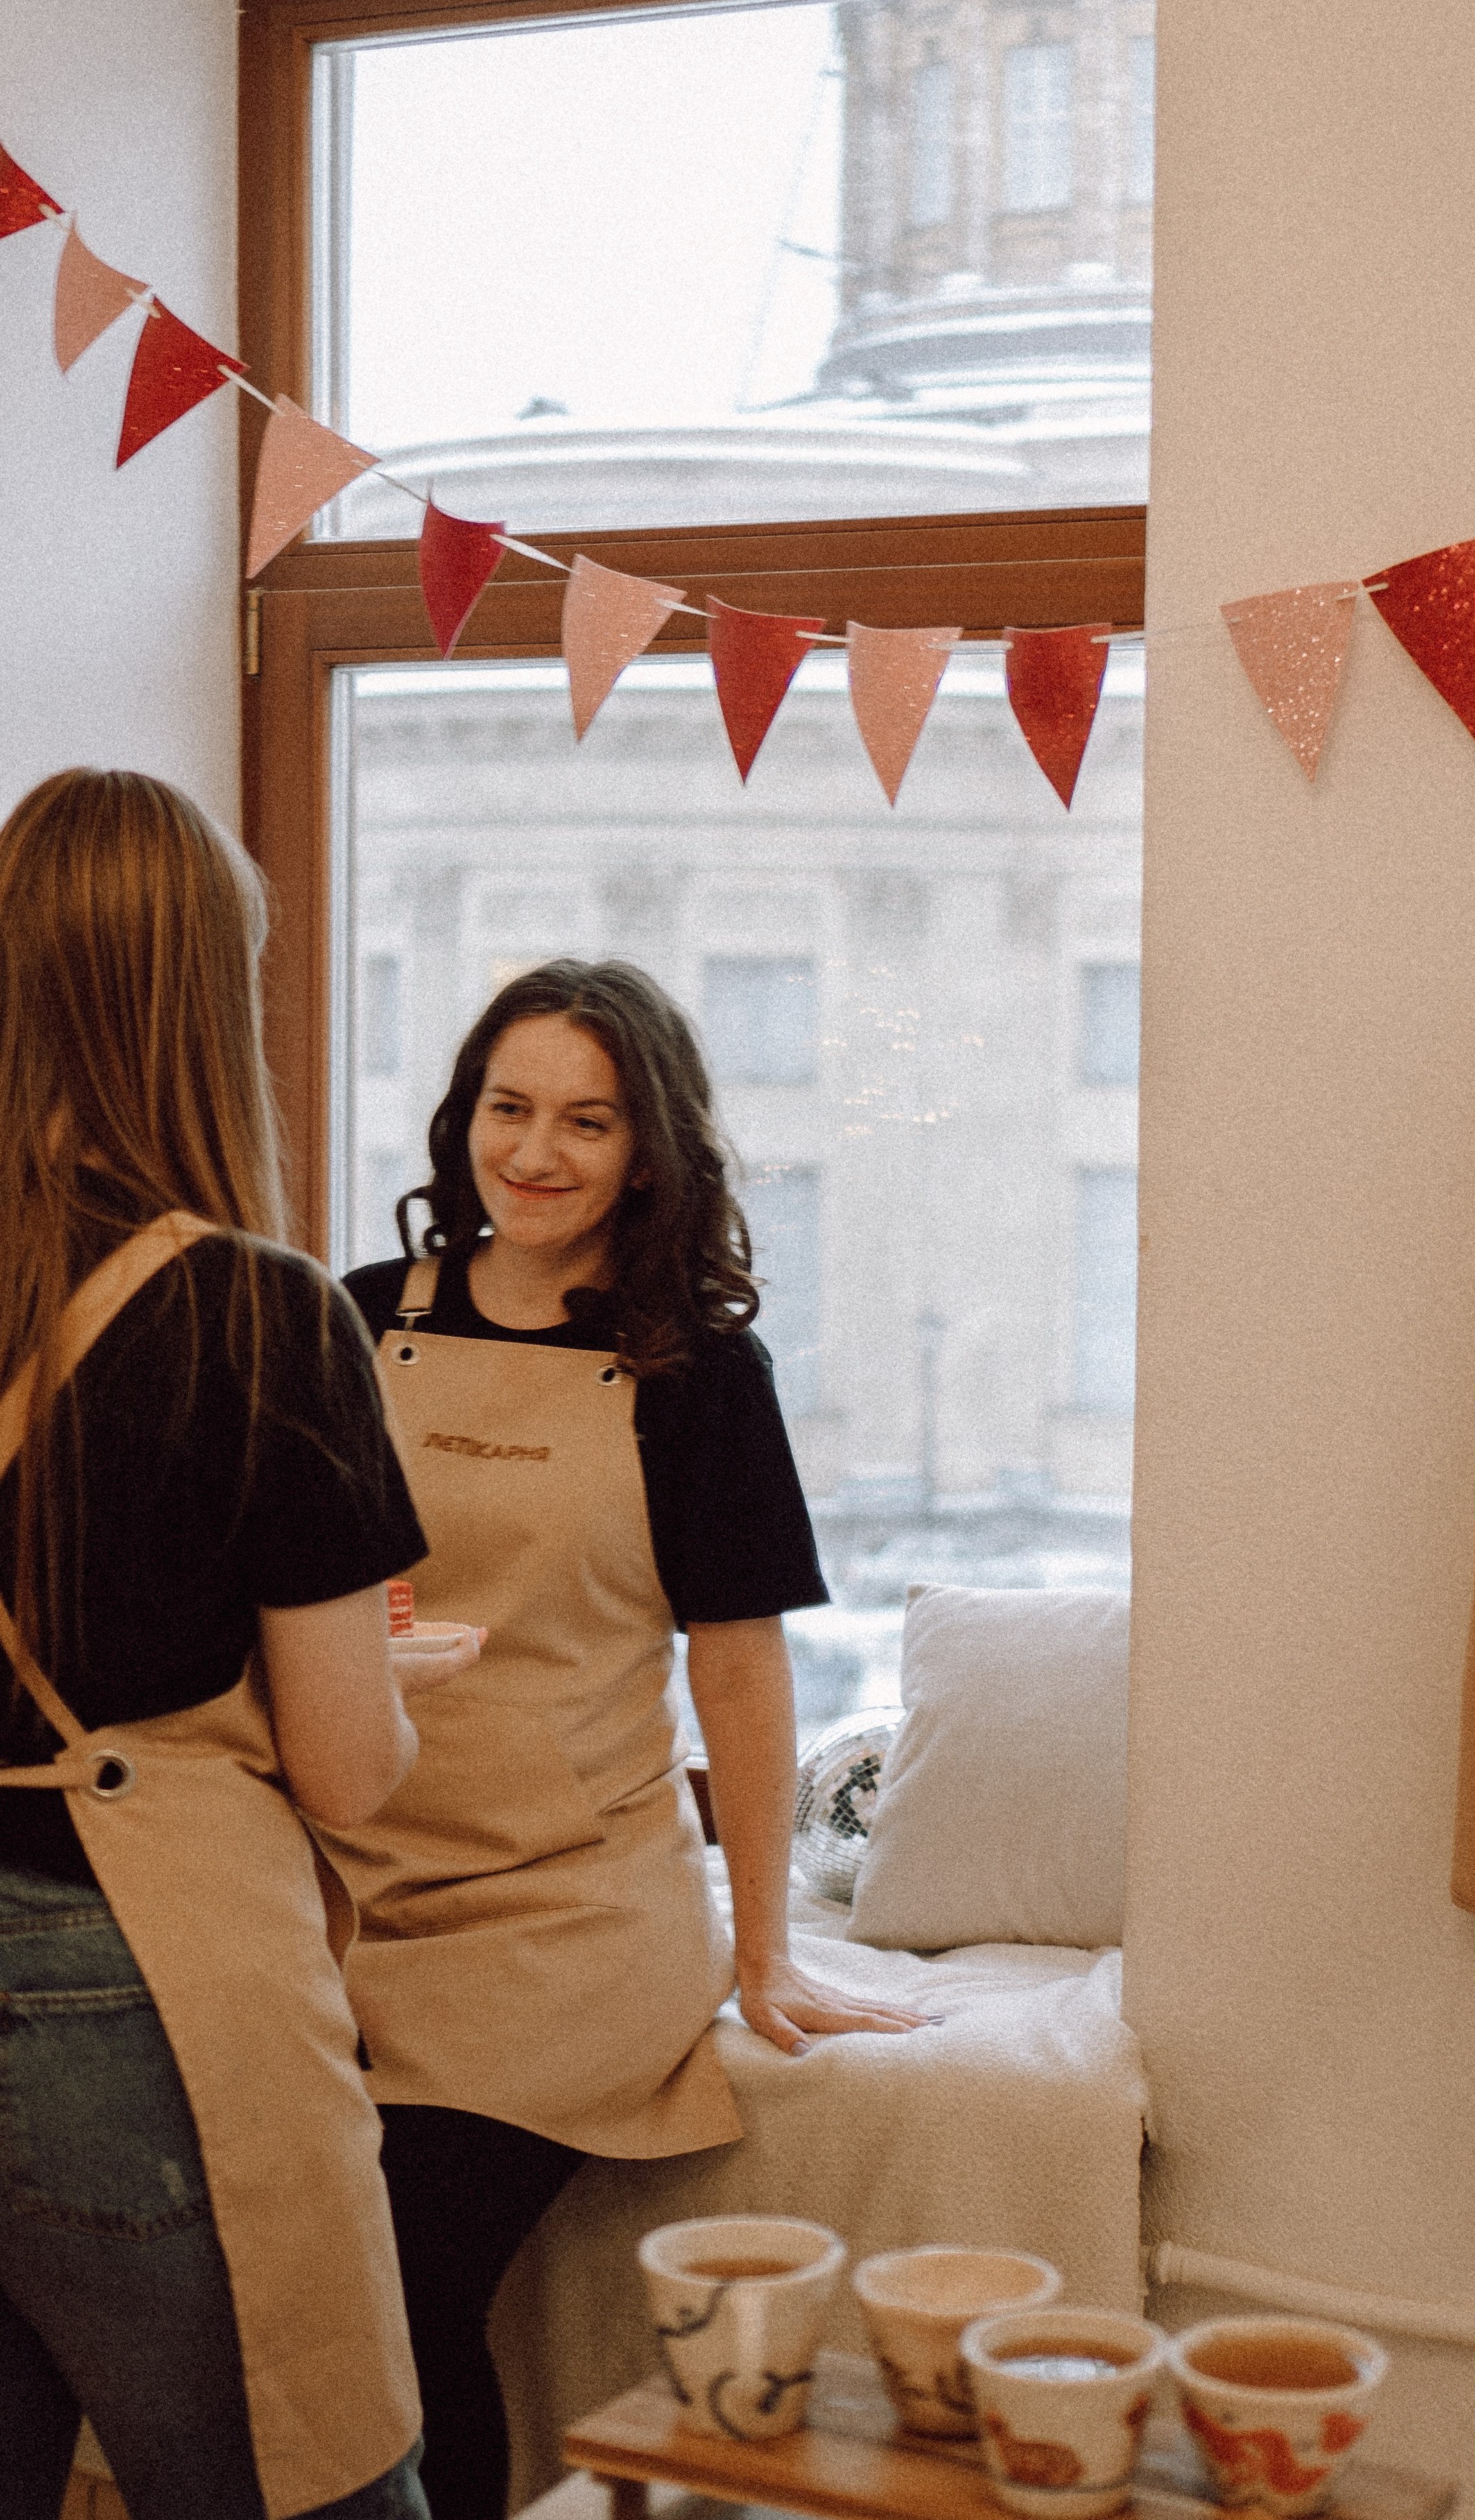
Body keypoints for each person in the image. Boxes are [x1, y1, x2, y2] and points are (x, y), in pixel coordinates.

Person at [337, 957, 924, 2520]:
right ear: (463, 1119)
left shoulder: (696, 1373)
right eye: (509, 1110)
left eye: (584, 1122)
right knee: (305, 2290)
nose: (534, 1153)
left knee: (396, 2285)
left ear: (647, 1151)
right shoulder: (346, 1325)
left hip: (571, 1915)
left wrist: (764, 1950)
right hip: (352, 1896)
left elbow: (737, 1677)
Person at [0, 769, 481, 2520]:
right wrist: (372, 1694)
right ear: (207, 998)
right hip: (136, 1988)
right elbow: (349, 1770)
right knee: (312, 2486)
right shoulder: (264, 1311)